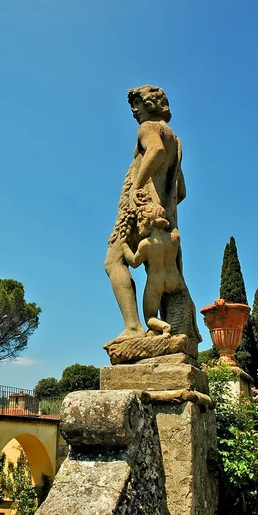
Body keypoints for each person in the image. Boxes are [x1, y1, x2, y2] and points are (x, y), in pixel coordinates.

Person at [105, 85, 186, 339]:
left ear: (149, 105)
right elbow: (181, 191)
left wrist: (137, 188)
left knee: (113, 261)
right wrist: (162, 208)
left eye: (136, 105)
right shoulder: (176, 139)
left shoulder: (148, 128)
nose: (133, 112)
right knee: (159, 274)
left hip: (139, 211)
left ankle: (133, 328)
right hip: (163, 217)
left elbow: (155, 150)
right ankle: (168, 331)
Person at [119, 200, 185, 335]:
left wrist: (125, 246)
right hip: (175, 280)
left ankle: (164, 327)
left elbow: (134, 262)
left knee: (150, 317)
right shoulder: (174, 237)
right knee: (180, 299)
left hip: (156, 282)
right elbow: (172, 221)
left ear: (149, 222)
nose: (138, 225)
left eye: (140, 220)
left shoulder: (146, 244)